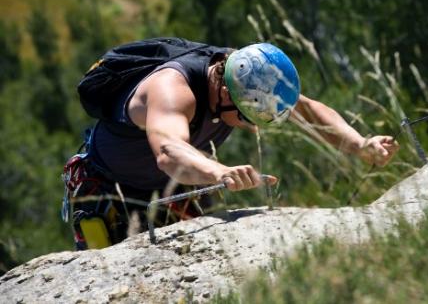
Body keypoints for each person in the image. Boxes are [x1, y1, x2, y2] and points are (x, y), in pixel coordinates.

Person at [63, 39, 399, 249]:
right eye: (250, 119)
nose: (255, 128)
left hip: (179, 189)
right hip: (110, 190)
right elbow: (168, 151)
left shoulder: (247, 77)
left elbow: (306, 109)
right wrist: (218, 171)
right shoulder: (172, 88)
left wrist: (360, 144)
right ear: (226, 93)